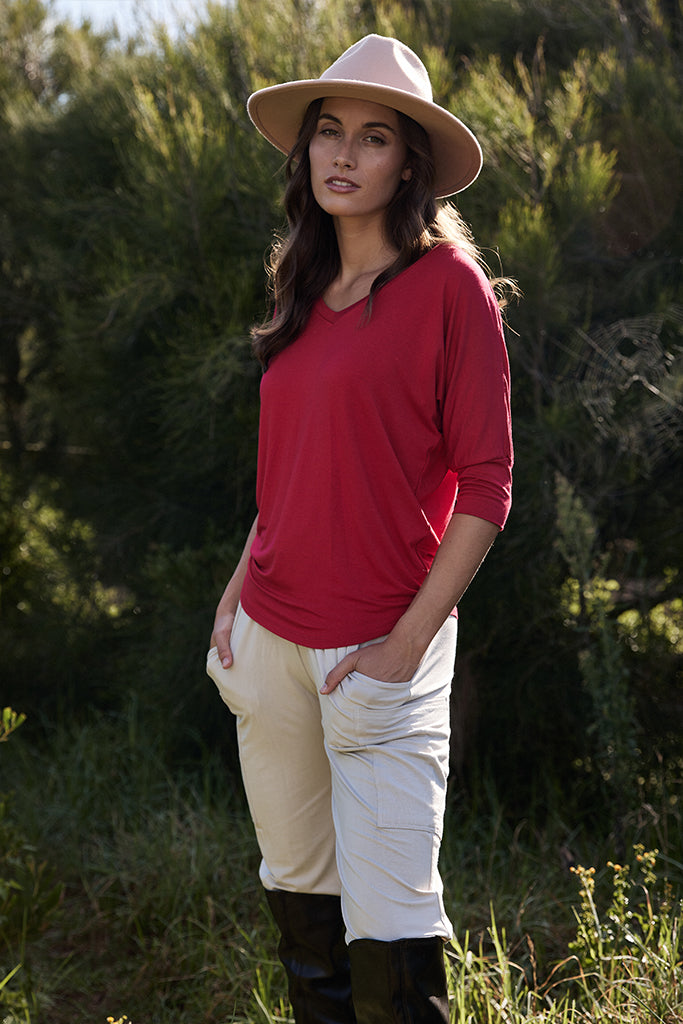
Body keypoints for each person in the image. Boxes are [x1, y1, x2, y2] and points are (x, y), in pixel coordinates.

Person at [207, 34, 513, 1024]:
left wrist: (406, 644)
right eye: (326, 133)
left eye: (372, 138)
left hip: (380, 648)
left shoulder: (447, 289)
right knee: (302, 913)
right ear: (304, 157)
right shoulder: (301, 290)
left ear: (406, 162)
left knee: (391, 936)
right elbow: (292, 476)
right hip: (269, 641)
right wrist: (230, 608)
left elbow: (484, 485)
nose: (342, 154)